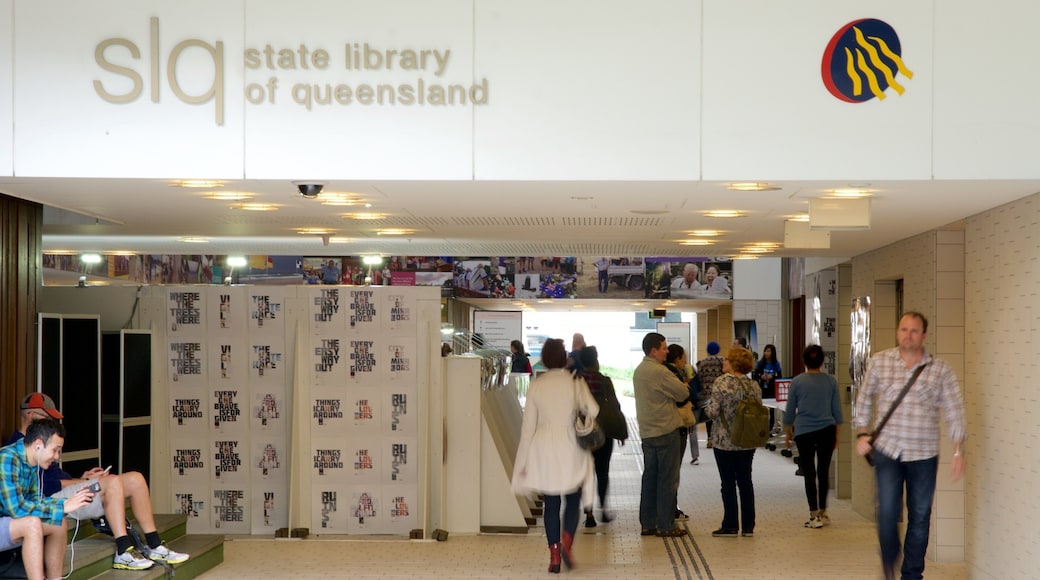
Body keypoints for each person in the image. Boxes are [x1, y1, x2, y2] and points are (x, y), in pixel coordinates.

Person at [9, 393, 190, 570]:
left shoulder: (45, 442)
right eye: (47, 417)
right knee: (111, 483)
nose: (51, 424)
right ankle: (123, 550)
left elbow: (55, 478)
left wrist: (84, 479)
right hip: (50, 499)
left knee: (135, 479)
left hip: (60, 491)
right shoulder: (24, 446)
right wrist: (85, 482)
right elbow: (46, 486)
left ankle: (154, 545)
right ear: (31, 415)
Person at [854, 312, 966, 580]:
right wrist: (861, 432)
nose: (908, 335)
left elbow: (954, 409)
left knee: (920, 516)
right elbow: (865, 397)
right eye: (904, 329)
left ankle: (912, 574)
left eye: (914, 331)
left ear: (924, 336)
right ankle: (889, 559)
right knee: (888, 510)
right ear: (897, 332)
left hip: (924, 453)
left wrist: (958, 449)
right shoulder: (880, 362)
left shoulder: (940, 369)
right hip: (887, 449)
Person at [511, 338, 596, 573]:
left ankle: (555, 554)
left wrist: (523, 461)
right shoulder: (575, 383)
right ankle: (568, 541)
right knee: (573, 498)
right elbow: (594, 410)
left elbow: (528, 428)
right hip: (570, 447)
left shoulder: (537, 385)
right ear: (564, 357)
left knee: (551, 503)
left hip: (544, 448)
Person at [0, 418, 95, 580]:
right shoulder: (7, 459)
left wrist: (67, 502)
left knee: (58, 523)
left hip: (8, 523)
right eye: (55, 450)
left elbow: (36, 501)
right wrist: (63, 508)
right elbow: (15, 509)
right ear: (38, 445)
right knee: (32, 524)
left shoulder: (33, 463)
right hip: (7, 518)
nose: (56, 457)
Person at [633, 332, 691, 538]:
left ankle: (647, 523)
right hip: (667, 431)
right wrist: (682, 386)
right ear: (654, 350)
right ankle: (666, 525)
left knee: (649, 479)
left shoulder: (639, 371)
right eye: (664, 348)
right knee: (667, 480)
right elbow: (683, 394)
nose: (667, 351)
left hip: (647, 432)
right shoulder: (661, 372)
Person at [783, 344, 843, 529]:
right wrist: (837, 434)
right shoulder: (830, 381)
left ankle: (813, 514)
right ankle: (824, 511)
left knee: (809, 472)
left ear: (804, 361)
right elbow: (837, 412)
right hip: (827, 429)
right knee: (823, 471)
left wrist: (788, 432)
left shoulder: (798, 381)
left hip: (804, 431)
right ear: (822, 361)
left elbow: (790, 409)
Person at [704, 347, 759, 537]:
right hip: (747, 440)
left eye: (727, 359)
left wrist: (706, 409)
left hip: (724, 440)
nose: (723, 362)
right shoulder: (753, 385)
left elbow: (712, 411)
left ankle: (730, 525)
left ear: (734, 362)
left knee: (727, 483)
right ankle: (749, 526)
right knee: (745, 482)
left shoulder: (722, 383)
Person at [578, 346, 623, 528]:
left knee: (585, 473)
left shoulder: (577, 381)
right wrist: (620, 431)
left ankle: (588, 513)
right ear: (596, 360)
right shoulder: (605, 381)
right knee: (602, 472)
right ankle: (603, 509)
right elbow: (615, 406)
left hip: (582, 433)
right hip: (603, 432)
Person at [664, 344, 695, 521]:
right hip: (678, 425)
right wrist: (687, 386)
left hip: (669, 425)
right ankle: (671, 509)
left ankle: (670, 508)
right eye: (684, 358)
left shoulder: (666, 372)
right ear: (677, 359)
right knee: (673, 470)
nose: (685, 361)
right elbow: (685, 396)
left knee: (671, 470)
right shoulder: (674, 374)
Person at [697, 341, 725, 450]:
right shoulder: (722, 361)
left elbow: (699, 377)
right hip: (721, 392)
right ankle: (719, 437)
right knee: (719, 416)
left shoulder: (703, 363)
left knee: (709, 416)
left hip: (707, 393)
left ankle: (709, 438)